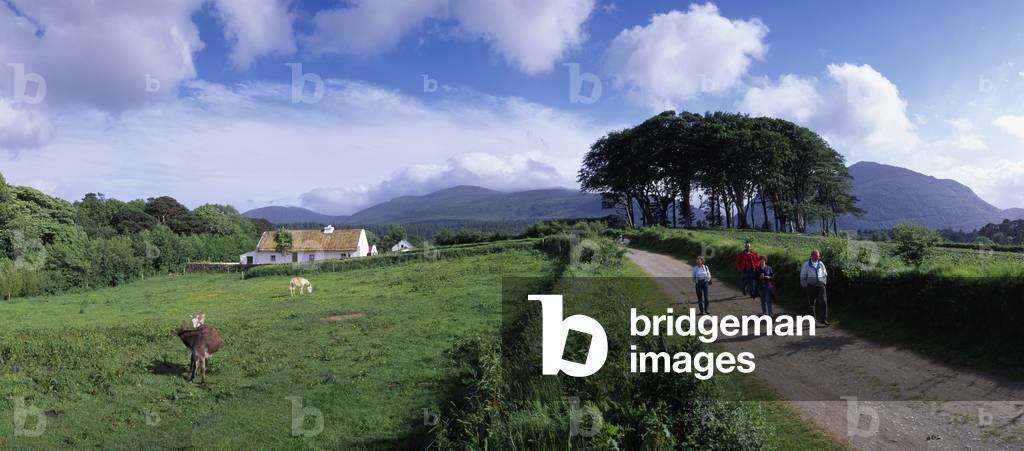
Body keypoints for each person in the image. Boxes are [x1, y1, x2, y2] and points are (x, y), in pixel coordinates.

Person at [800, 249, 829, 326]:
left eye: (818, 256)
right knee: (811, 304)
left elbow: (825, 274)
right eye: (816, 256)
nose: (818, 257)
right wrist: (805, 286)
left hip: (820, 286)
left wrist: (824, 283)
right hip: (810, 286)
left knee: (823, 302)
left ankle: (824, 319)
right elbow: (803, 276)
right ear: (811, 256)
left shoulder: (821, 264)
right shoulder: (806, 265)